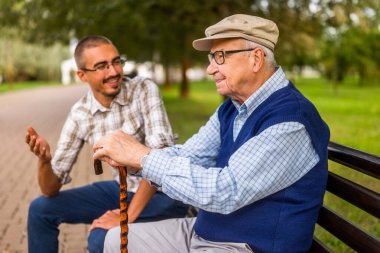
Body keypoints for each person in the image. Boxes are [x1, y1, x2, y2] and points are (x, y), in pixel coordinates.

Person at [94, 14, 330, 253]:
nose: (210, 69)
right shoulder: (232, 108)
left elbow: (225, 191)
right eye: (211, 58)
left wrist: (143, 157)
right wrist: (135, 162)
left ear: (256, 58)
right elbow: (191, 155)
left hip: (248, 246)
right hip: (205, 231)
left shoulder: (291, 122)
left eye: (220, 57)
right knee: (114, 239)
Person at [24, 35, 189, 253]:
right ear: (82, 75)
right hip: (123, 191)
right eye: (101, 66)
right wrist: (44, 161)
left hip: (166, 195)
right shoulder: (80, 114)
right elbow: (50, 189)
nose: (113, 72)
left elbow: (161, 159)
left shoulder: (143, 90)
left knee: (101, 238)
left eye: (116, 62)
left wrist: (125, 216)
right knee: (40, 209)